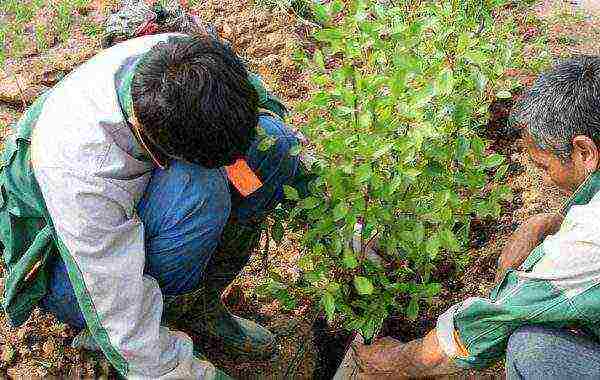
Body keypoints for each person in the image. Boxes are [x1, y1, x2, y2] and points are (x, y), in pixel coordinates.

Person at [0, 32, 309, 379]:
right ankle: (136, 332)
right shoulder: (81, 170)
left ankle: (200, 307)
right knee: (200, 192)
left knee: (272, 145)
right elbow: (117, 309)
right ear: (162, 152)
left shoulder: (197, 64)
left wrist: (353, 231)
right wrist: (181, 371)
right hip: (71, 277)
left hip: (128, 217)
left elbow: (282, 139)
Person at [355, 55, 600, 379]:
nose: (544, 179)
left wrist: (400, 359)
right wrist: (546, 223)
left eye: (543, 166)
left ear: (584, 151)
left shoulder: (588, 242)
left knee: (533, 350)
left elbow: (491, 322)